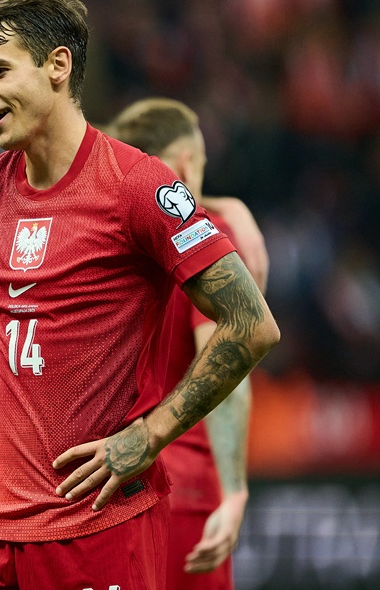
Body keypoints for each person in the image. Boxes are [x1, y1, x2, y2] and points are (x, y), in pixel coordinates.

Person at [0, 0, 279, 589]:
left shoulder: (138, 186)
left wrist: (151, 434)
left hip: (99, 524)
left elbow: (251, 325)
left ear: (58, 66)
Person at [107, 98, 269, 590]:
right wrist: (236, 491)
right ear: (184, 164)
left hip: (113, 479)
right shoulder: (206, 238)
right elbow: (226, 356)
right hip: (186, 482)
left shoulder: (110, 236)